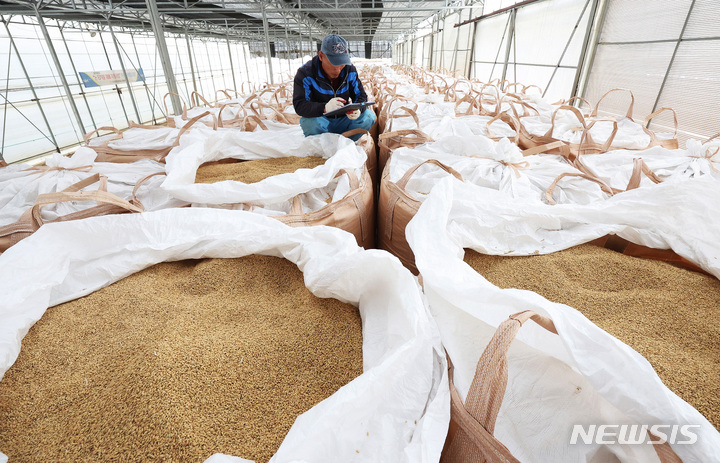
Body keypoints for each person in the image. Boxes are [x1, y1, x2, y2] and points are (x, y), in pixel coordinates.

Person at [293, 34, 376, 141]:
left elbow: (360, 95)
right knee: (310, 123)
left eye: (341, 64)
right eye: (334, 64)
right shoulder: (305, 73)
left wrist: (358, 108)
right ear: (321, 56)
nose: (338, 69)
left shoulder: (349, 70)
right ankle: (323, 146)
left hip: (344, 119)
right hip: (322, 121)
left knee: (368, 117)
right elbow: (300, 105)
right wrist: (324, 108)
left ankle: (348, 142)